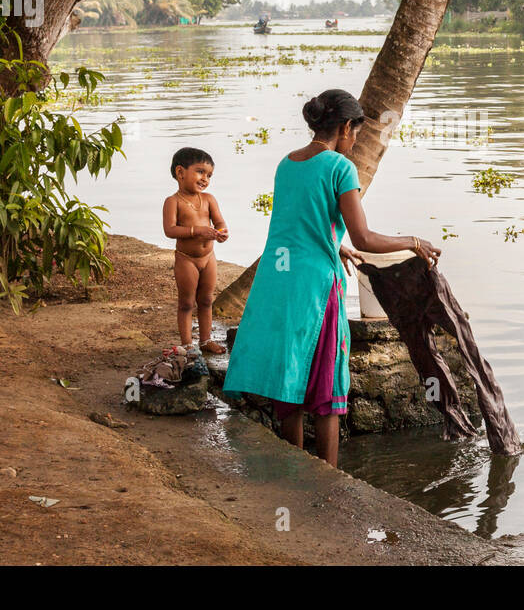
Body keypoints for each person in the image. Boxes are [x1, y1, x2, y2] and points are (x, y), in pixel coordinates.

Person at [222, 89, 441, 467]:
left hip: (277, 281)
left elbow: (295, 225)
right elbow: (365, 237)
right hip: (315, 287)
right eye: (355, 131)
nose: (355, 140)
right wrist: (414, 241)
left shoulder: (287, 163)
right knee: (326, 387)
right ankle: (328, 476)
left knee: (289, 377)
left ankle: (294, 468)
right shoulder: (340, 168)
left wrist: (335, 245)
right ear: (343, 127)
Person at [162, 147, 229, 354]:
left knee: (207, 299)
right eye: (200, 172)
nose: (205, 179)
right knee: (186, 302)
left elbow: (219, 222)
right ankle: (187, 344)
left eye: (209, 175)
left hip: (208, 257)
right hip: (186, 259)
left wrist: (222, 232)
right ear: (180, 172)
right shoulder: (173, 202)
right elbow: (170, 230)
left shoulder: (209, 199)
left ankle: (205, 340)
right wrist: (196, 230)